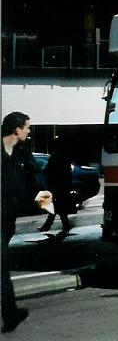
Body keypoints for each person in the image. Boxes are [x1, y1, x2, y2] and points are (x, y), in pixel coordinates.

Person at [1, 112, 53, 333]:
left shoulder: (22, 152)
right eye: (27, 128)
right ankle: (10, 313)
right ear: (17, 129)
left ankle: (11, 313)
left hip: (7, 218)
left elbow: (35, 178)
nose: (29, 132)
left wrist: (44, 197)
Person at [38, 144, 74, 236]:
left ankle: (49, 226)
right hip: (62, 186)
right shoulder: (65, 159)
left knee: (54, 206)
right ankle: (63, 226)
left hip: (55, 185)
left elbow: (47, 170)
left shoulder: (54, 158)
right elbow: (68, 173)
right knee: (58, 207)